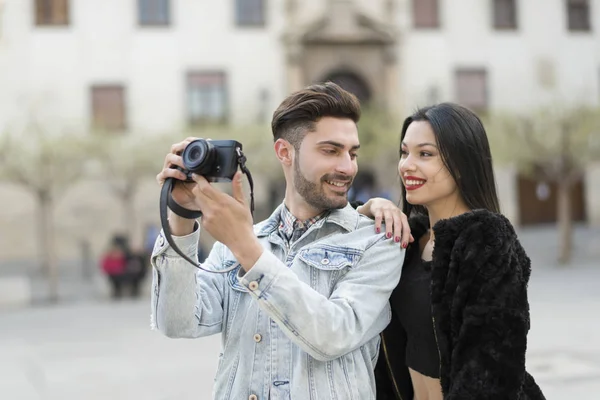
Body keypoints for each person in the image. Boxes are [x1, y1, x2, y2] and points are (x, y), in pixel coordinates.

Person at [150, 82, 412, 399]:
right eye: (330, 150)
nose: (346, 167)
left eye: (352, 153)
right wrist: (180, 213)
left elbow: (333, 334)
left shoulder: (379, 240)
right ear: (285, 152)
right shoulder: (243, 239)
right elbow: (178, 322)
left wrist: (246, 248)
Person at [358, 103, 546, 399]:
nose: (407, 165)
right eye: (405, 152)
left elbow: (491, 370)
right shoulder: (408, 241)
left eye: (425, 154)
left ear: (461, 164)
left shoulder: (487, 241)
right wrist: (368, 209)